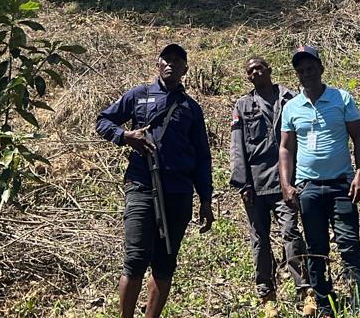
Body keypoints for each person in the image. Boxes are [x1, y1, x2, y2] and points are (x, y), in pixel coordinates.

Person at [95, 43, 215, 318]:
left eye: (178, 60)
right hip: (141, 186)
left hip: (179, 191)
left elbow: (202, 157)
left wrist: (206, 199)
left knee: (165, 262)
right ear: (157, 64)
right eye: (166, 59)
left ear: (185, 68)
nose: (171, 64)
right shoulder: (139, 95)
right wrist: (125, 136)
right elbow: (103, 121)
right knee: (135, 260)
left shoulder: (191, 109)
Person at [279, 45, 360, 316]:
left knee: (349, 244)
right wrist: (286, 183)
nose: (306, 74)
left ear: (321, 68)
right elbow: (285, 148)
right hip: (308, 188)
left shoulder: (341, 98)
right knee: (316, 249)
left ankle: (359, 305)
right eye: (301, 70)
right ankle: (324, 304)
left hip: (341, 185)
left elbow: (359, 139)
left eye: (310, 68)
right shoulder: (292, 107)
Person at [230, 56, 307, 315]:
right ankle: (267, 296)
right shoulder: (242, 105)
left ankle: (304, 290)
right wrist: (243, 184)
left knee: (291, 234)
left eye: (258, 68)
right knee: (260, 241)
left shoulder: (291, 99)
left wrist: (299, 178)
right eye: (250, 71)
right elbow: (237, 147)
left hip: (287, 181)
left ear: (269, 70)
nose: (255, 73)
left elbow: (303, 139)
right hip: (256, 183)